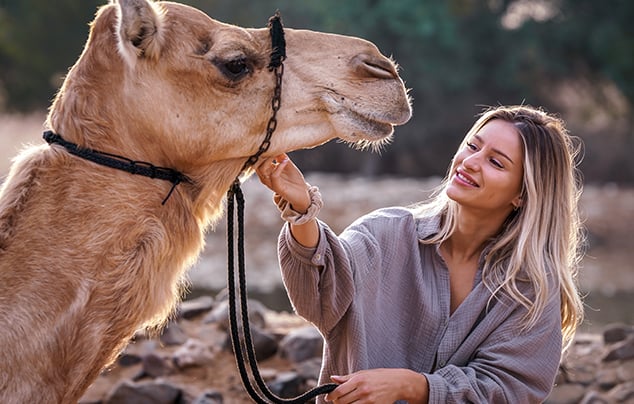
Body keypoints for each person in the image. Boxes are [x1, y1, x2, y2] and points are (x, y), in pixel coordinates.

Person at [255, 105, 585, 403]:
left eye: (496, 162)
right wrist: (302, 211)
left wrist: (415, 387)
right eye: (472, 146)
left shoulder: (532, 290)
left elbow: (508, 390)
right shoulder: (384, 233)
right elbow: (320, 296)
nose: (469, 162)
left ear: (523, 195)